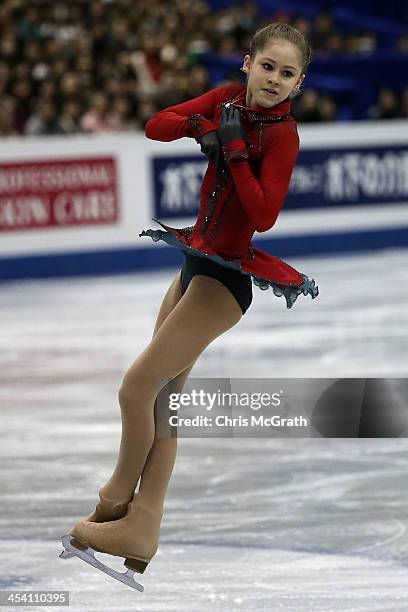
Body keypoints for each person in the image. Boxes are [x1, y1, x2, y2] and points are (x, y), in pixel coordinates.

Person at [65, 22, 319, 587]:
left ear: (299, 84)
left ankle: (113, 502)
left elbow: (263, 215)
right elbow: (157, 125)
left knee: (137, 387)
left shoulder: (283, 137)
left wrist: (230, 148)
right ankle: (142, 527)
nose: (274, 80)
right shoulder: (228, 100)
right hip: (194, 262)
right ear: (246, 64)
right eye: (267, 66)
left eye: (287, 73)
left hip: (225, 282)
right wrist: (205, 126)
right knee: (165, 403)